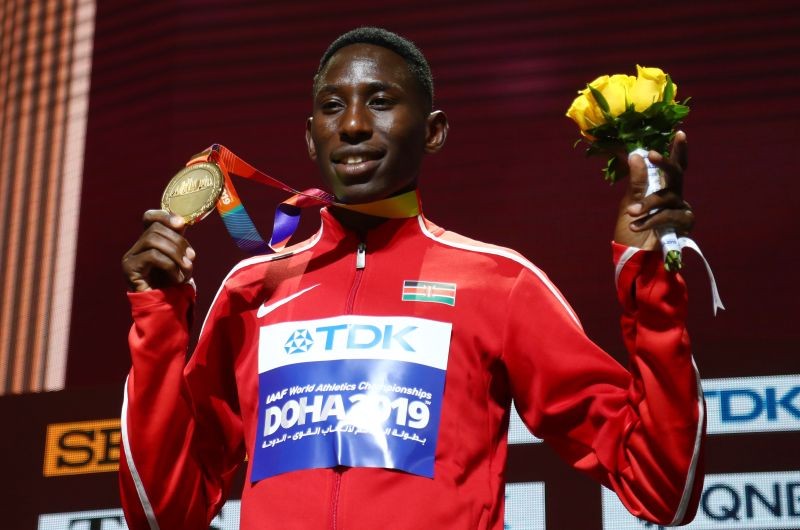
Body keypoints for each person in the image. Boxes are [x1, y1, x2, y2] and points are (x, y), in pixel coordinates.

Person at [120, 27, 704, 530]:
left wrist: (650, 280)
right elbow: (162, 513)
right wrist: (158, 318)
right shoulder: (252, 290)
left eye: (379, 101)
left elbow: (660, 486)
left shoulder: (499, 284)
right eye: (331, 106)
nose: (351, 124)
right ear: (310, 136)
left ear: (433, 131)